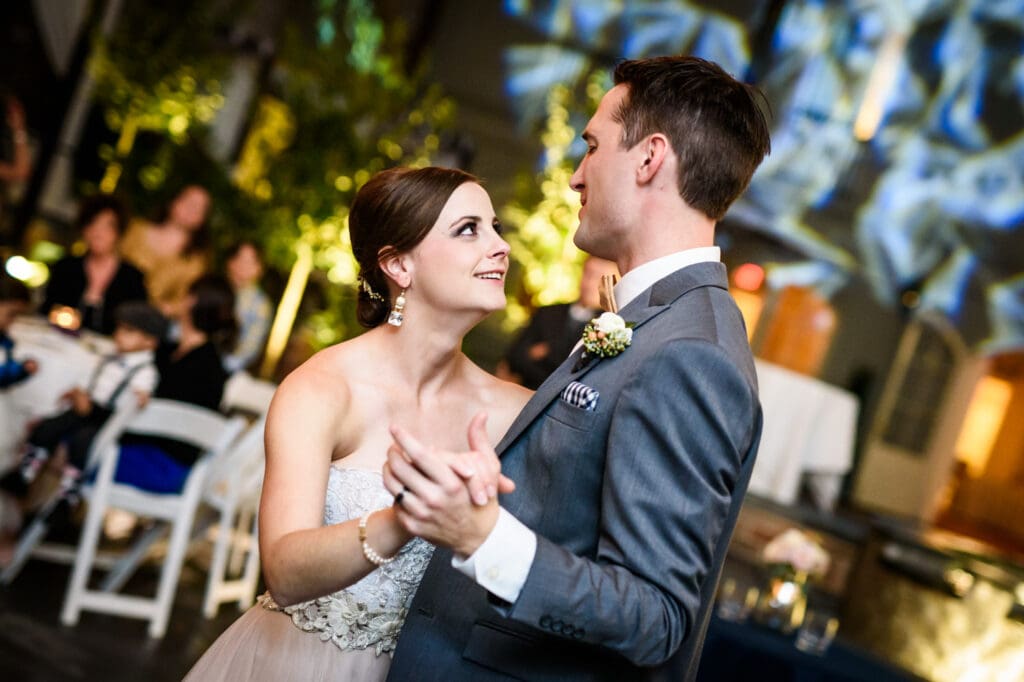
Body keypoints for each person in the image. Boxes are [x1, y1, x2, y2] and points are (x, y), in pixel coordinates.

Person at [382, 55, 771, 681]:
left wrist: (485, 537)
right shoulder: (656, 319)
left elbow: (657, 617)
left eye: (592, 147)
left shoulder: (691, 353)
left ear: (649, 159)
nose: (574, 176)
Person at [184, 166, 530, 681]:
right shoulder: (323, 388)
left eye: (495, 227)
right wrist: (405, 520)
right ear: (399, 265)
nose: (500, 247)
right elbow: (282, 570)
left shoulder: (516, 411)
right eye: (468, 229)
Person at [0, 302, 166, 510]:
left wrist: (140, 398)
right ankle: (24, 473)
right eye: (119, 328)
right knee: (48, 426)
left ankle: (68, 495)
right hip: (86, 404)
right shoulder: (109, 357)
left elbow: (139, 395)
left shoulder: (144, 370)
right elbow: (92, 377)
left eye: (129, 331)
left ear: (150, 342)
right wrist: (78, 392)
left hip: (104, 415)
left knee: (81, 445)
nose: (119, 335)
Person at [114, 274, 235, 495]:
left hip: (162, 467)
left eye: (187, 294)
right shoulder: (170, 351)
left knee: (74, 444)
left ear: (192, 301)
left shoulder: (205, 368)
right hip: (148, 454)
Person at [500, 255, 618, 389]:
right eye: (588, 274)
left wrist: (544, 352)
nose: (590, 283)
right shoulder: (548, 312)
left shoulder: (613, 326)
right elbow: (515, 357)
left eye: (600, 278)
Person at [41, 194, 148, 335]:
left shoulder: (132, 278)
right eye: (92, 224)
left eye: (107, 226)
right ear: (83, 229)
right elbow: (46, 310)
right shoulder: (66, 267)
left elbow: (135, 327)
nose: (98, 233)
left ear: (118, 232)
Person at [120, 184, 211, 318]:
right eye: (188, 201)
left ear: (202, 219)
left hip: (146, 322)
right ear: (173, 202)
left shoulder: (195, 263)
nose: (192, 209)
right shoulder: (135, 230)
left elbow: (184, 302)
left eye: (199, 208)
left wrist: (162, 310)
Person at [221, 240, 273, 373]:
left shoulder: (261, 305)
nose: (243, 266)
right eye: (239, 258)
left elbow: (249, 348)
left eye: (251, 261)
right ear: (229, 262)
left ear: (260, 268)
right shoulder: (212, 288)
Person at [0, 273, 37, 390]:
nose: (13, 321)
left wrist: (22, 370)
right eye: (12, 314)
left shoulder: (5, 341)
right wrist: (19, 370)